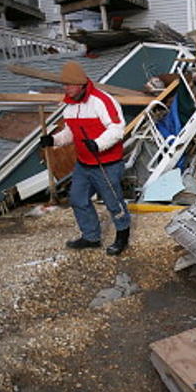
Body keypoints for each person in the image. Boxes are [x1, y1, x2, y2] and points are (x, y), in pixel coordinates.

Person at [39, 61, 130, 255]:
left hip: (106, 163)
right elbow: (70, 133)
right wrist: (53, 139)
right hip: (84, 163)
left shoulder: (101, 100)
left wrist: (98, 144)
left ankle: (122, 236)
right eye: (64, 85)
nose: (66, 89)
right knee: (78, 199)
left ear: (81, 84)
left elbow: (117, 129)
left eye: (69, 85)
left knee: (114, 203)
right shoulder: (69, 106)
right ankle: (91, 237)